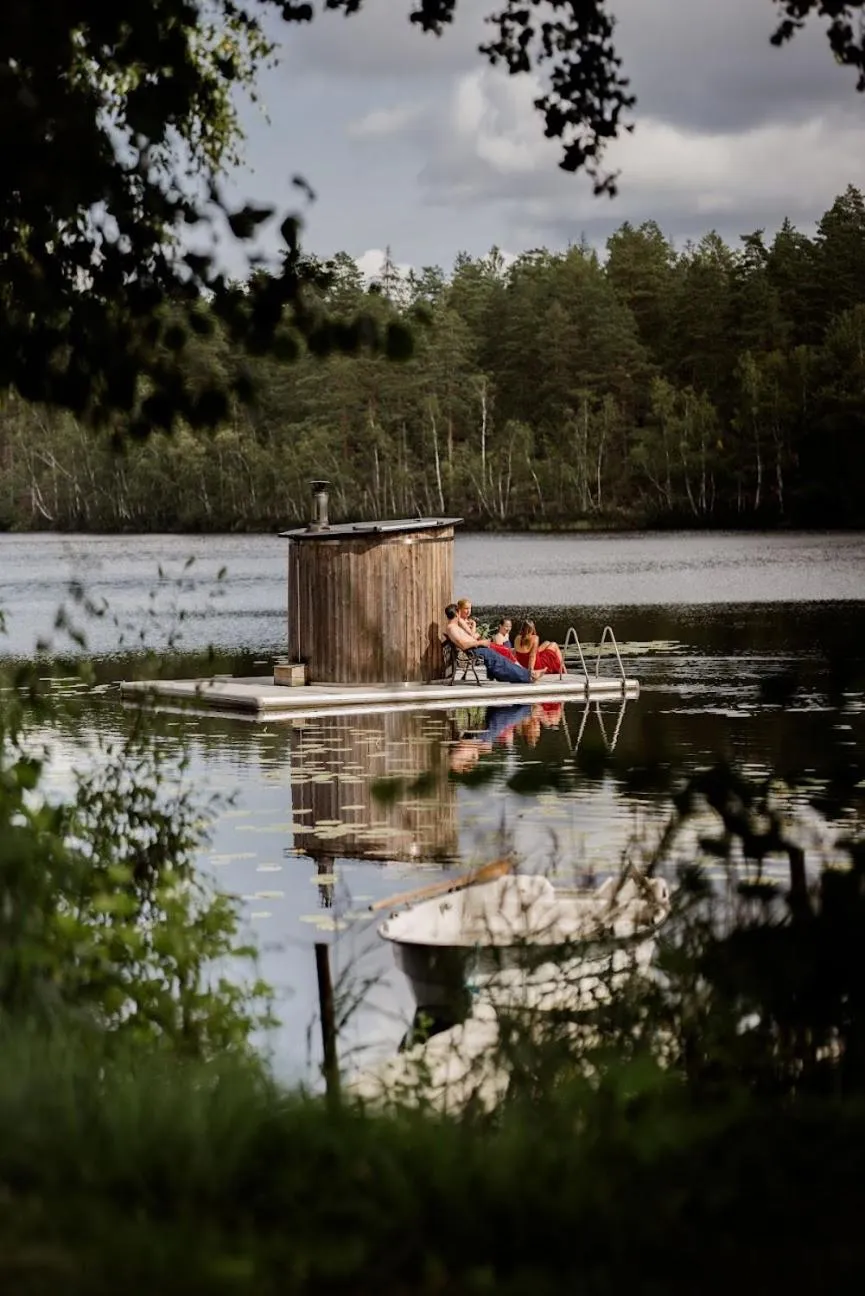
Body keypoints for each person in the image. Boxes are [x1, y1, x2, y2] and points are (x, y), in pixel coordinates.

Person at [443, 605, 546, 684]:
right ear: (456, 613)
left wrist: (463, 622)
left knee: (503, 658)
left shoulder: (454, 626)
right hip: (475, 649)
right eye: (459, 613)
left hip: (477, 647)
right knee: (502, 660)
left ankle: (528, 674)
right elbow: (463, 645)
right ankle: (529, 676)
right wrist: (480, 642)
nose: (461, 615)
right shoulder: (452, 628)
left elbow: (466, 637)